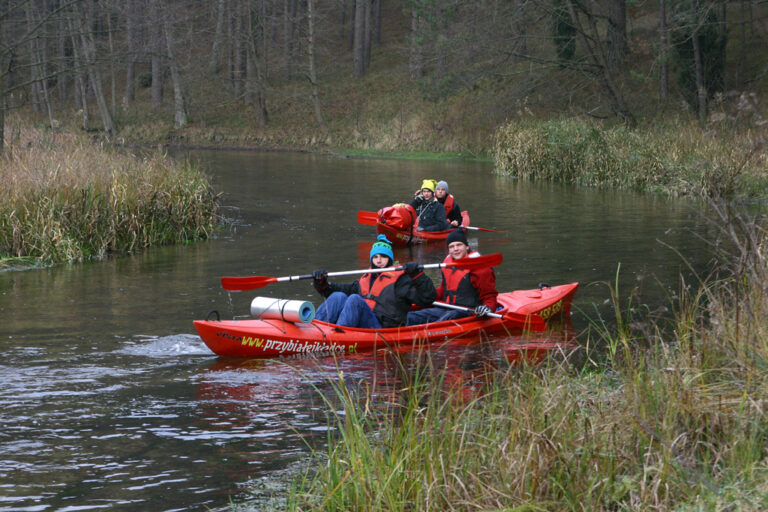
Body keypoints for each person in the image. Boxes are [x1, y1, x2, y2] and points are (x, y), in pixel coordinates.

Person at [312, 234, 437, 328]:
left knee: (355, 300)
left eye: (383, 257)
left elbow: (428, 298)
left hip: (382, 328)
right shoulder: (366, 278)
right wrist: (321, 282)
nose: (378, 260)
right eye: (375, 257)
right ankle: (316, 327)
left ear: (390, 259)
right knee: (338, 296)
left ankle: (337, 336)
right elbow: (331, 290)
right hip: (364, 322)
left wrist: (417, 275)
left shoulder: (401, 281)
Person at [406, 228, 498, 325]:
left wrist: (487, 308)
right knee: (410, 316)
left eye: (459, 245)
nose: (455, 249)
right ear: (449, 250)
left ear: (467, 246)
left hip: (468, 312)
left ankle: (430, 331)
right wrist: (417, 295)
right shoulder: (447, 264)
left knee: (449, 316)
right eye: (451, 246)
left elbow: (489, 296)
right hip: (447, 309)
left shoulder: (480, 268)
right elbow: (442, 292)